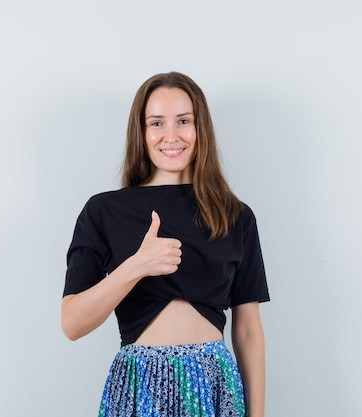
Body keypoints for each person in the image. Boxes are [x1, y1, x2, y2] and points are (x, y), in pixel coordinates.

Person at [61, 71, 270, 417]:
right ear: (141, 132)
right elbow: (72, 324)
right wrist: (136, 266)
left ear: (200, 128)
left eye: (183, 121)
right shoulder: (104, 211)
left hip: (213, 383)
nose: (170, 136)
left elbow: (248, 330)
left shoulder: (234, 215)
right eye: (156, 123)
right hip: (138, 385)